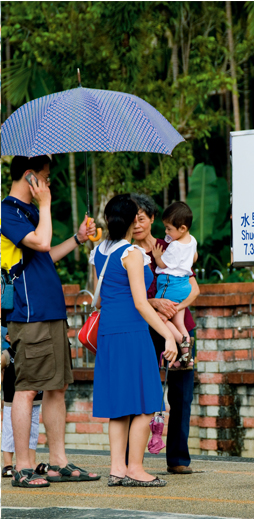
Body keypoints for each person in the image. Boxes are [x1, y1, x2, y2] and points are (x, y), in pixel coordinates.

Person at [1, 154, 100, 488]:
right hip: (29, 315)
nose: (48, 185)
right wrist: (44, 205)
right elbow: (41, 241)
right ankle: (23, 467)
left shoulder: (29, 212)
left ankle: (58, 461)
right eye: (44, 177)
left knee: (58, 386)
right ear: (30, 178)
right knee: (27, 389)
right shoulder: (7, 212)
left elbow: (45, 254)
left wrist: (77, 239)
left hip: (52, 311)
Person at [90, 194, 178, 487]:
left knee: (119, 405)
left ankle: (117, 469)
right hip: (132, 331)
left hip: (108, 332)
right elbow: (142, 303)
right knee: (145, 402)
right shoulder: (132, 254)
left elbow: (98, 298)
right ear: (130, 221)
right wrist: (168, 335)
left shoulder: (100, 251)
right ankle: (136, 468)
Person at [132, 194, 199, 475]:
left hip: (180, 324)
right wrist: (154, 303)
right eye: (132, 219)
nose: (136, 224)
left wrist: (178, 305)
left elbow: (191, 284)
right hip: (146, 327)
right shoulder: (129, 254)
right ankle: (133, 459)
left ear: (151, 219)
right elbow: (130, 297)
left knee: (182, 393)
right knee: (143, 391)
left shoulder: (171, 245)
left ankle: (178, 459)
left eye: (141, 218)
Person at [152, 202, 198, 369]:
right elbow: (194, 258)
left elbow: (163, 265)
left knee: (158, 316)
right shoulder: (192, 240)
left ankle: (181, 340)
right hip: (184, 285)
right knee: (180, 323)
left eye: (169, 229)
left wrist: (157, 256)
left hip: (170, 285)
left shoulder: (175, 246)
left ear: (183, 228)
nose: (166, 232)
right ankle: (187, 359)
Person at [1, 327, 46, 478]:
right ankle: (7, 463)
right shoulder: (7, 355)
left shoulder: (33, 352)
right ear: (8, 338)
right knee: (9, 431)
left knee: (32, 431)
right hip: (11, 401)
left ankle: (32, 461)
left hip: (35, 399)